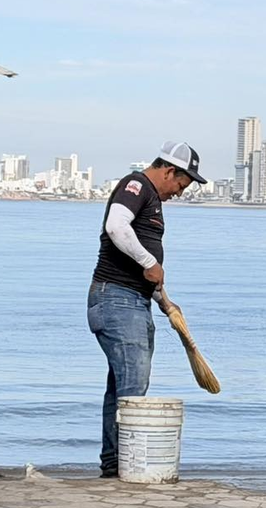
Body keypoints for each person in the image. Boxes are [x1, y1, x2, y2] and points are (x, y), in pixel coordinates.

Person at [89, 142, 205, 478]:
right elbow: (116, 227)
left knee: (121, 387)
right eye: (181, 185)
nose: (180, 193)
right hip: (117, 301)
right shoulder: (136, 186)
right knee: (133, 389)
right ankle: (129, 467)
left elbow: (143, 268)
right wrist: (149, 260)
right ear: (169, 171)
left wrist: (165, 302)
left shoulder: (151, 199)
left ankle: (114, 465)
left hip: (131, 300)